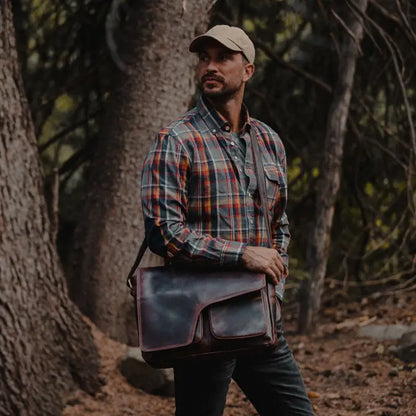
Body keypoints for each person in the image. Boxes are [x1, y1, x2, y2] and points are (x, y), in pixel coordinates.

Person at [141, 25, 314, 416]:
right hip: (201, 322)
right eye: (204, 58)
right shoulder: (176, 140)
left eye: (223, 58)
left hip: (261, 318)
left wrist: (276, 286)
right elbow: (164, 233)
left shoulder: (268, 141)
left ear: (248, 70)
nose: (210, 67)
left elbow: (279, 225)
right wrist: (244, 256)